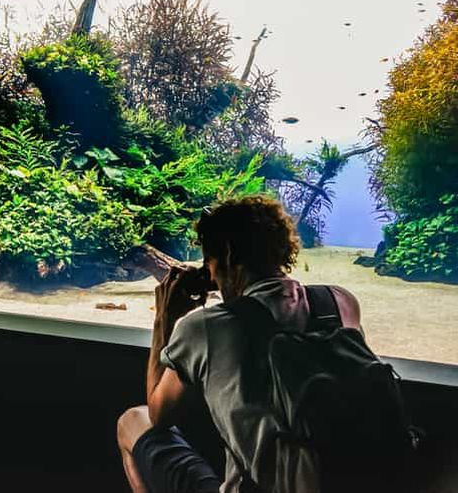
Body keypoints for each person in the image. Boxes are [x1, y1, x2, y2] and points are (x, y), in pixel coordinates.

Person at [116, 195, 365, 493]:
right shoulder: (340, 303)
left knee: (132, 421)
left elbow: (159, 415)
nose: (209, 272)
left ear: (228, 254)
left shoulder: (205, 328)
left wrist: (165, 320)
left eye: (208, 261)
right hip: (356, 480)